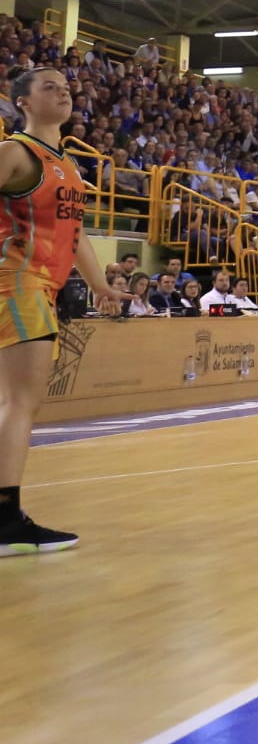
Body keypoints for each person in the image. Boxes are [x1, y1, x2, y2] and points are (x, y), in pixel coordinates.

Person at [1, 66, 127, 554]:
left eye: (67, 87)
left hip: (42, 286)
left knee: (16, 401)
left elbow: (74, 235)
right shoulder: (14, 152)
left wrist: (101, 285)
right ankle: (5, 520)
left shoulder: (68, 164)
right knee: (20, 402)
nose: (63, 92)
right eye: (49, 87)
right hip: (16, 281)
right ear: (24, 102)